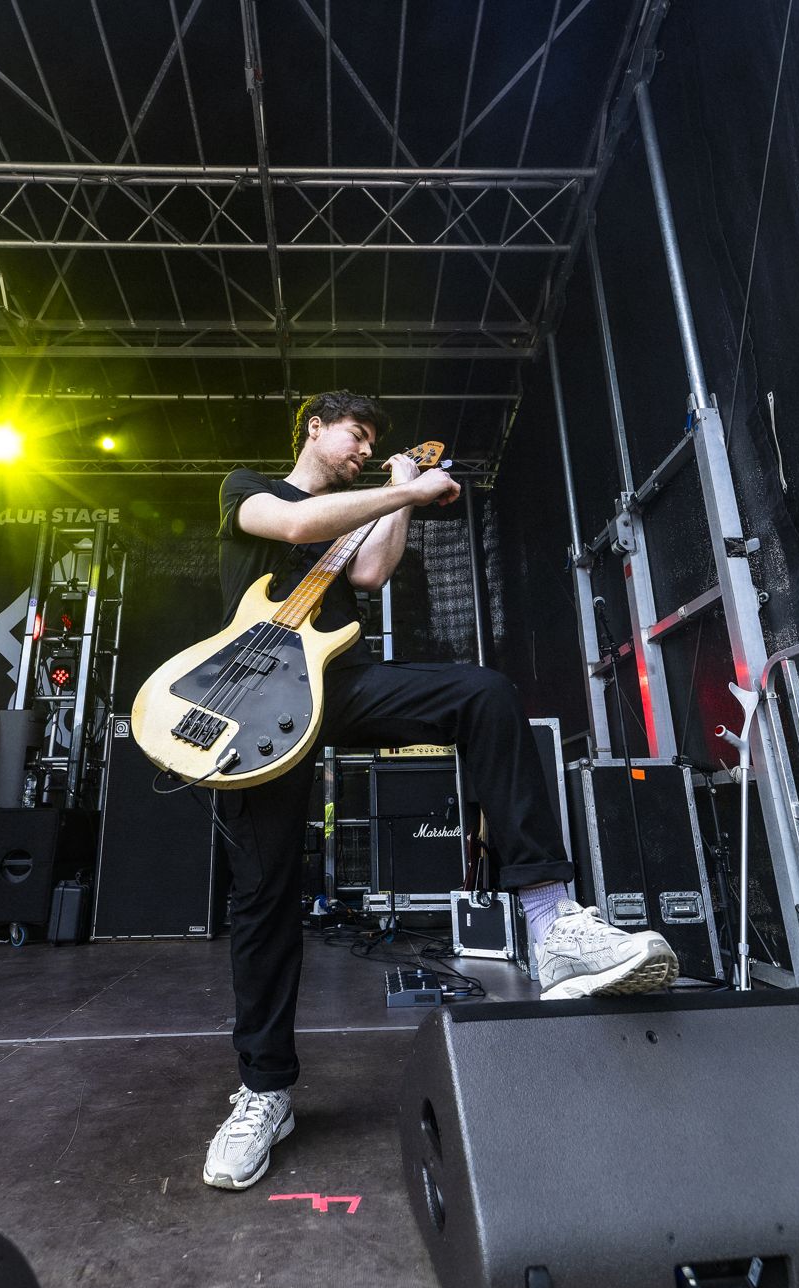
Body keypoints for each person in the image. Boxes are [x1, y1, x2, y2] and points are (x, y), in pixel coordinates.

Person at [202, 389, 678, 1192]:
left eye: (371, 444)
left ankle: (550, 920)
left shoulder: (363, 506)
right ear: (315, 427)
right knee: (264, 897)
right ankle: (264, 1091)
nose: (361, 449)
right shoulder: (250, 487)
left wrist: (401, 496)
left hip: (341, 683)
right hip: (254, 703)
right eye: (355, 435)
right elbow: (290, 528)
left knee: (484, 693)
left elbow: (374, 568)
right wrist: (404, 487)